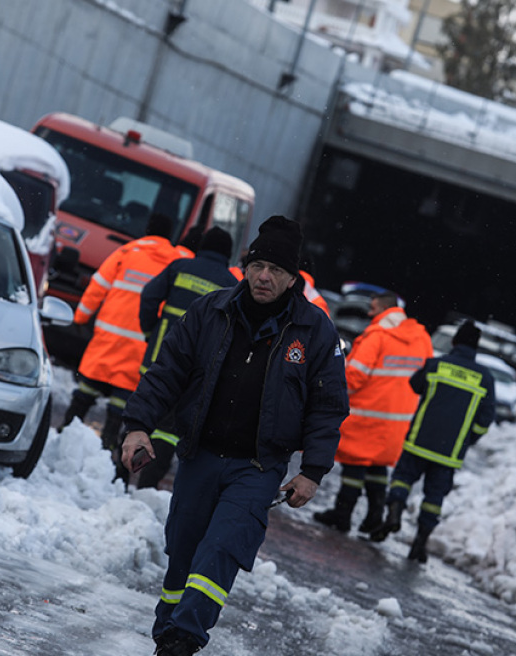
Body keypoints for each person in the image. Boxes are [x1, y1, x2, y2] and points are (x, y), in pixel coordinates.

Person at [119, 215, 349, 656]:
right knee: (183, 550)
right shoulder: (211, 310)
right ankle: (168, 630)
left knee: (222, 547)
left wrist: (313, 471)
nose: (265, 276)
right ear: (245, 266)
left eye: (277, 270)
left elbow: (328, 406)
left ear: (292, 277)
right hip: (200, 455)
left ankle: (184, 638)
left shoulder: (314, 329)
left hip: (258, 467)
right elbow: (166, 373)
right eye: (259, 265)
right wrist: (137, 426)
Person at [368, 321, 495, 564]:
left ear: (455, 342)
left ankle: (394, 513)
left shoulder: (438, 365)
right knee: (434, 498)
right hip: (449, 452)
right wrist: (468, 439)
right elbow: (485, 419)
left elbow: (414, 385)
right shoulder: (485, 379)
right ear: (476, 347)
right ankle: (420, 542)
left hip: (419, 440)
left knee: (403, 480)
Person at [61, 213, 180, 456]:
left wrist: (80, 318)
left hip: (108, 339)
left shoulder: (127, 252)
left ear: (147, 228)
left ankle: (64, 437)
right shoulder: (177, 260)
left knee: (85, 392)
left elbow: (97, 287)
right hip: (140, 347)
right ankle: (108, 450)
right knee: (121, 404)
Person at [313, 290, 432, 534]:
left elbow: (355, 376)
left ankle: (342, 514)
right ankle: (375, 516)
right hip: (398, 421)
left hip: (367, 415)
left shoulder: (377, 335)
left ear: (385, 310)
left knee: (354, 465)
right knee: (377, 467)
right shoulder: (422, 338)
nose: (369, 313)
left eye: (374, 308)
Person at [134, 226, 239, 489]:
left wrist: (150, 329)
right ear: (228, 254)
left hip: (158, 358)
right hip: (193, 372)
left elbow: (149, 295)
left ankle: (123, 474)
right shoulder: (231, 285)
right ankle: (146, 484)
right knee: (169, 431)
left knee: (142, 417)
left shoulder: (180, 267)